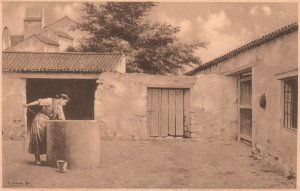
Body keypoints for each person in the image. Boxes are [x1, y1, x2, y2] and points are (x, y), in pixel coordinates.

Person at [24, 94, 70, 165]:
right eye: (65, 102)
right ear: (61, 99)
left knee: (46, 140)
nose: (65, 104)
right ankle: (37, 159)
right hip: (39, 121)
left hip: (47, 124)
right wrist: (28, 105)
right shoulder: (50, 100)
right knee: (37, 139)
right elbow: (38, 102)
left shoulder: (59, 107)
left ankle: (48, 159)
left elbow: (62, 118)